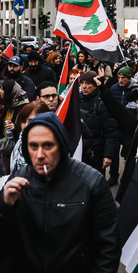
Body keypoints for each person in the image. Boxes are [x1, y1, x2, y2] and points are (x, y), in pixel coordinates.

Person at [0, 112, 120, 272]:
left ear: (61, 145)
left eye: (48, 145)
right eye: (33, 146)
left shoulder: (91, 182)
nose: (40, 155)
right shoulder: (18, 180)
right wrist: (4, 205)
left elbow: (109, 245)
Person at [78, 71, 121, 178]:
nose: (84, 87)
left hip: (96, 151)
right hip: (79, 150)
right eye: (82, 83)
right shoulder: (76, 99)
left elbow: (111, 130)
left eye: (88, 83)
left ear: (95, 86)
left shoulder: (102, 102)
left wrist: (108, 155)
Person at [9, 101, 53, 174]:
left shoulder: (52, 146)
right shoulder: (20, 143)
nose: (26, 126)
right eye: (23, 121)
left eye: (31, 121)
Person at [0, 80, 30, 173]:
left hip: (16, 147)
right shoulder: (8, 104)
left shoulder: (24, 107)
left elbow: (27, 127)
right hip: (6, 145)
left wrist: (16, 128)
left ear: (10, 91)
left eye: (2, 89)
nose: (0, 91)